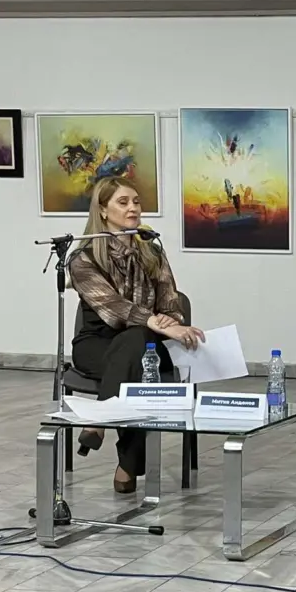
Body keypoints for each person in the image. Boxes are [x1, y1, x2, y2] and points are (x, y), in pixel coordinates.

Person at [69, 177, 205, 494]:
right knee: (139, 354)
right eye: (123, 202)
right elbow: (113, 307)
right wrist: (154, 321)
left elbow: (170, 301)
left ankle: (100, 419)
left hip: (146, 343)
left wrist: (170, 321)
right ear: (103, 210)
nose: (133, 208)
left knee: (139, 345)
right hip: (97, 343)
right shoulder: (83, 258)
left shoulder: (152, 250)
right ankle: (128, 466)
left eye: (136, 201)